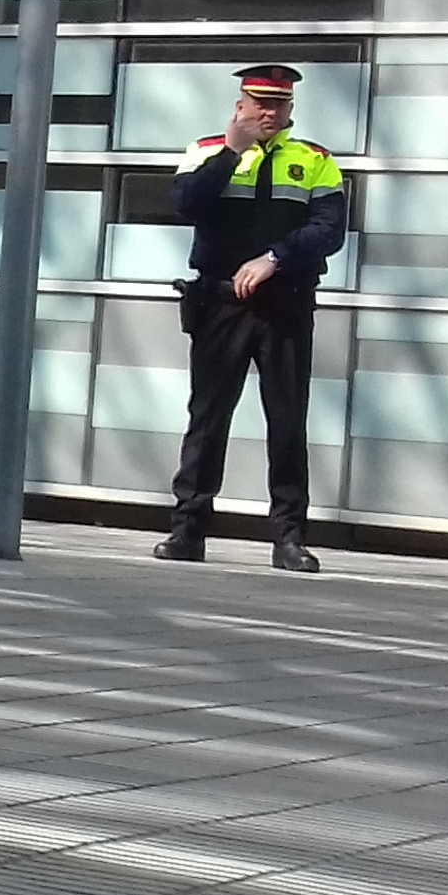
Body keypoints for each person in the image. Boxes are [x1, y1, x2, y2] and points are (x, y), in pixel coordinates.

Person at [159, 65, 348, 573]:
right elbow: (186, 205)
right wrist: (230, 153)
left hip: (284, 303)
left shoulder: (315, 160)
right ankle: (187, 531)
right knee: (207, 419)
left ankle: (289, 538)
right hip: (220, 302)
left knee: (286, 422)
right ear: (239, 106)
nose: (269, 112)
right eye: (260, 103)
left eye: (279, 104)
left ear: (291, 110)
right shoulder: (206, 151)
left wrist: (275, 258)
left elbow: (330, 230)